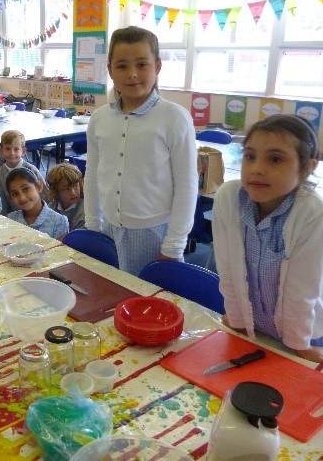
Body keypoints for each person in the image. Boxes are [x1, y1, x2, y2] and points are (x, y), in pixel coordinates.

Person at [84, 26, 197, 275]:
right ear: (110, 70)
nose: (133, 74)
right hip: (108, 231)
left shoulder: (175, 118)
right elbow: (92, 175)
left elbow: (187, 187)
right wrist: (92, 226)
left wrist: (174, 246)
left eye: (142, 64)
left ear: (157, 66)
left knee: (149, 305)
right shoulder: (100, 118)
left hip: (156, 235)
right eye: (122, 66)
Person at [213, 114, 323, 363]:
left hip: (302, 332)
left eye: (275, 159)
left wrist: (298, 344)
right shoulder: (229, 199)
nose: (257, 168)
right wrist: (238, 319)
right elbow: (227, 269)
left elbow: (302, 290)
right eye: (250, 156)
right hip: (253, 325)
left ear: (307, 169)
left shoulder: (311, 213)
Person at [0, 130, 48, 215]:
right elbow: (2, 203)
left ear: (23, 151)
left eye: (16, 149)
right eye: (7, 149)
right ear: (1, 150)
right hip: (15, 218)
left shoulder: (32, 170)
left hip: (38, 214)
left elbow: (45, 195)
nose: (12, 153)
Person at [6, 167, 68, 240]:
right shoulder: (11, 219)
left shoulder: (58, 222)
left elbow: (59, 251)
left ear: (39, 187)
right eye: (15, 194)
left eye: (25, 189)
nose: (22, 198)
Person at [47, 162, 85, 231]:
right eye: (67, 189)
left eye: (76, 186)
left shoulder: (84, 212)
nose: (73, 193)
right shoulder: (51, 207)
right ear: (56, 190)